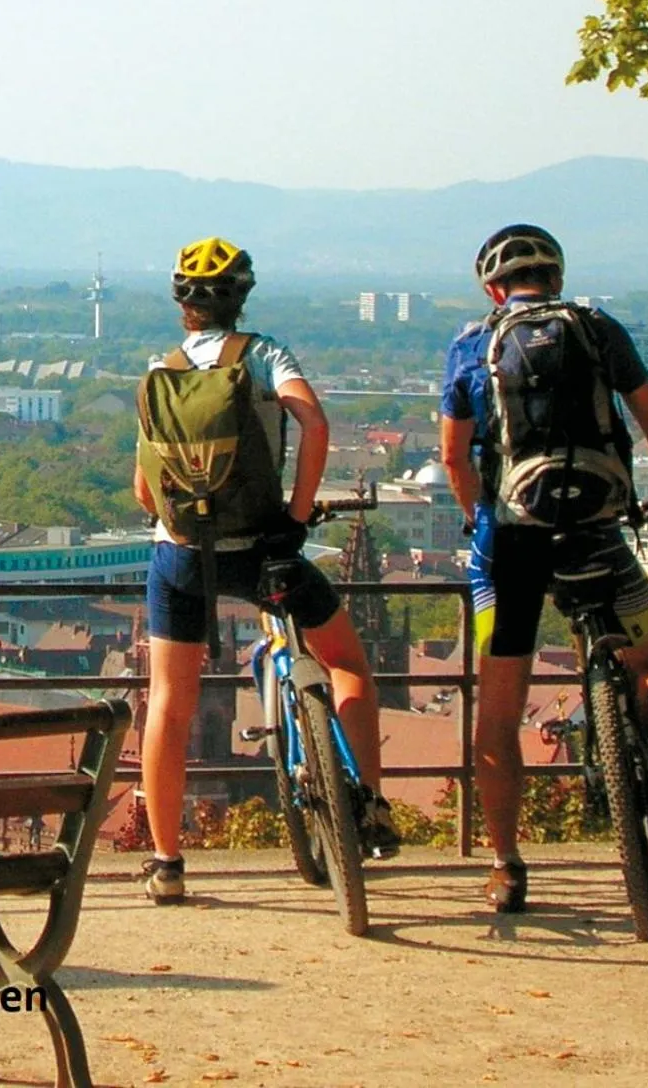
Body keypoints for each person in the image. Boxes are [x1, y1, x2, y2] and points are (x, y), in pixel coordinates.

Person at [440, 224, 648, 915]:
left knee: (499, 712)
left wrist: (480, 521)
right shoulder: (598, 330)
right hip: (595, 533)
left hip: (510, 549)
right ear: (556, 281)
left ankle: (505, 866)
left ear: (492, 288)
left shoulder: (472, 345)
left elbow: (452, 456)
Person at [133, 236, 400, 904]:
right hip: (263, 548)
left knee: (168, 701)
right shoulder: (264, 354)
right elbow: (313, 422)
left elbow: (144, 493)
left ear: (182, 305)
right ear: (241, 296)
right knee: (345, 664)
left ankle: (167, 863)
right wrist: (297, 513)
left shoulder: (159, 374)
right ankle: (368, 802)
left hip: (180, 555)